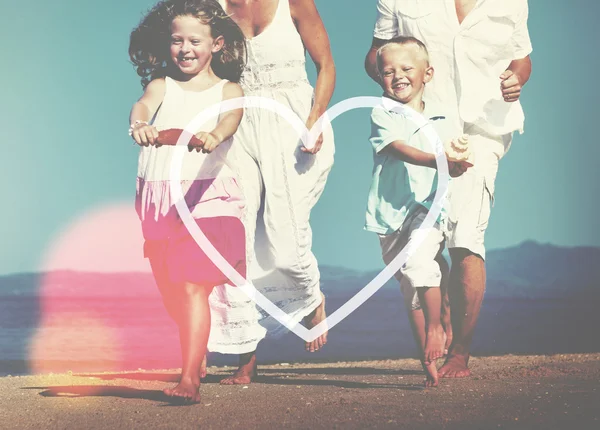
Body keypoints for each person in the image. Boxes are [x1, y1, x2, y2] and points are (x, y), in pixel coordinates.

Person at [365, 0, 533, 378]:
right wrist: (401, 83)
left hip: (480, 130)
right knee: (417, 246)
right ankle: (440, 313)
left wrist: (516, 78)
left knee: (466, 235)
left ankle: (460, 353)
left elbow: (521, 58)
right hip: (421, 124)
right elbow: (374, 55)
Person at [207, 0, 336, 385]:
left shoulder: (295, 3)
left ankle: (310, 296)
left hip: (292, 124)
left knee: (284, 236)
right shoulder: (210, 8)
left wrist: (314, 119)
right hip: (236, 124)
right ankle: (245, 358)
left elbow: (326, 64)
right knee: (237, 239)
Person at [128, 0, 246, 403]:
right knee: (171, 290)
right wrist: (141, 124)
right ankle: (197, 356)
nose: (185, 48)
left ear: (216, 44)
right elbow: (143, 105)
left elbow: (231, 118)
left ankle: (189, 381)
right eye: (177, 40)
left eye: (194, 40)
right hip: (162, 199)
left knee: (193, 286)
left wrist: (217, 134)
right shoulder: (162, 85)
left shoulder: (228, 89)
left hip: (209, 196)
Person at [366, 37, 470, 387]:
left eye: (406, 68)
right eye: (387, 71)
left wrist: (456, 156)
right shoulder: (382, 111)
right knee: (411, 284)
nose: (397, 76)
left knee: (417, 263)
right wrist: (441, 162)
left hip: (429, 207)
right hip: (389, 214)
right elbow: (398, 148)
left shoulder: (445, 112)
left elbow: (457, 146)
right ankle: (430, 358)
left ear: (427, 73)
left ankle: (437, 329)